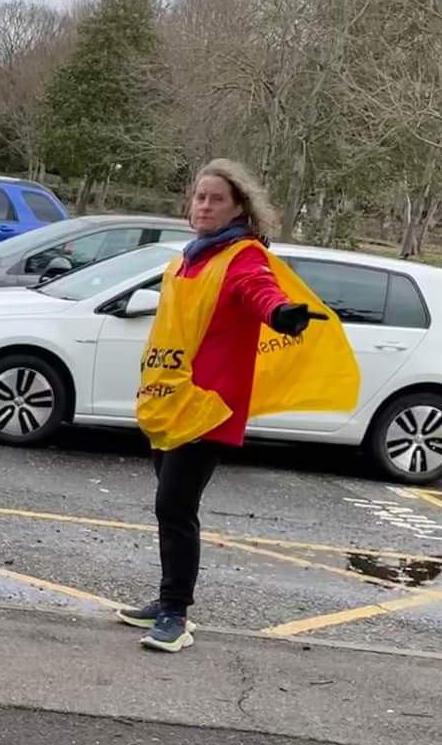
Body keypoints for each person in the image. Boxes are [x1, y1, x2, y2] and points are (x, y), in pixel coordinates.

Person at [120, 157, 355, 653]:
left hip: (210, 407)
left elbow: (259, 290)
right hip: (172, 398)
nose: (205, 206)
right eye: (200, 197)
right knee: (170, 507)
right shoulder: (188, 258)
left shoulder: (243, 255)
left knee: (175, 506)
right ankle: (167, 600)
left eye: (217, 199)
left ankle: (176, 614)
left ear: (238, 208)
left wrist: (280, 313)